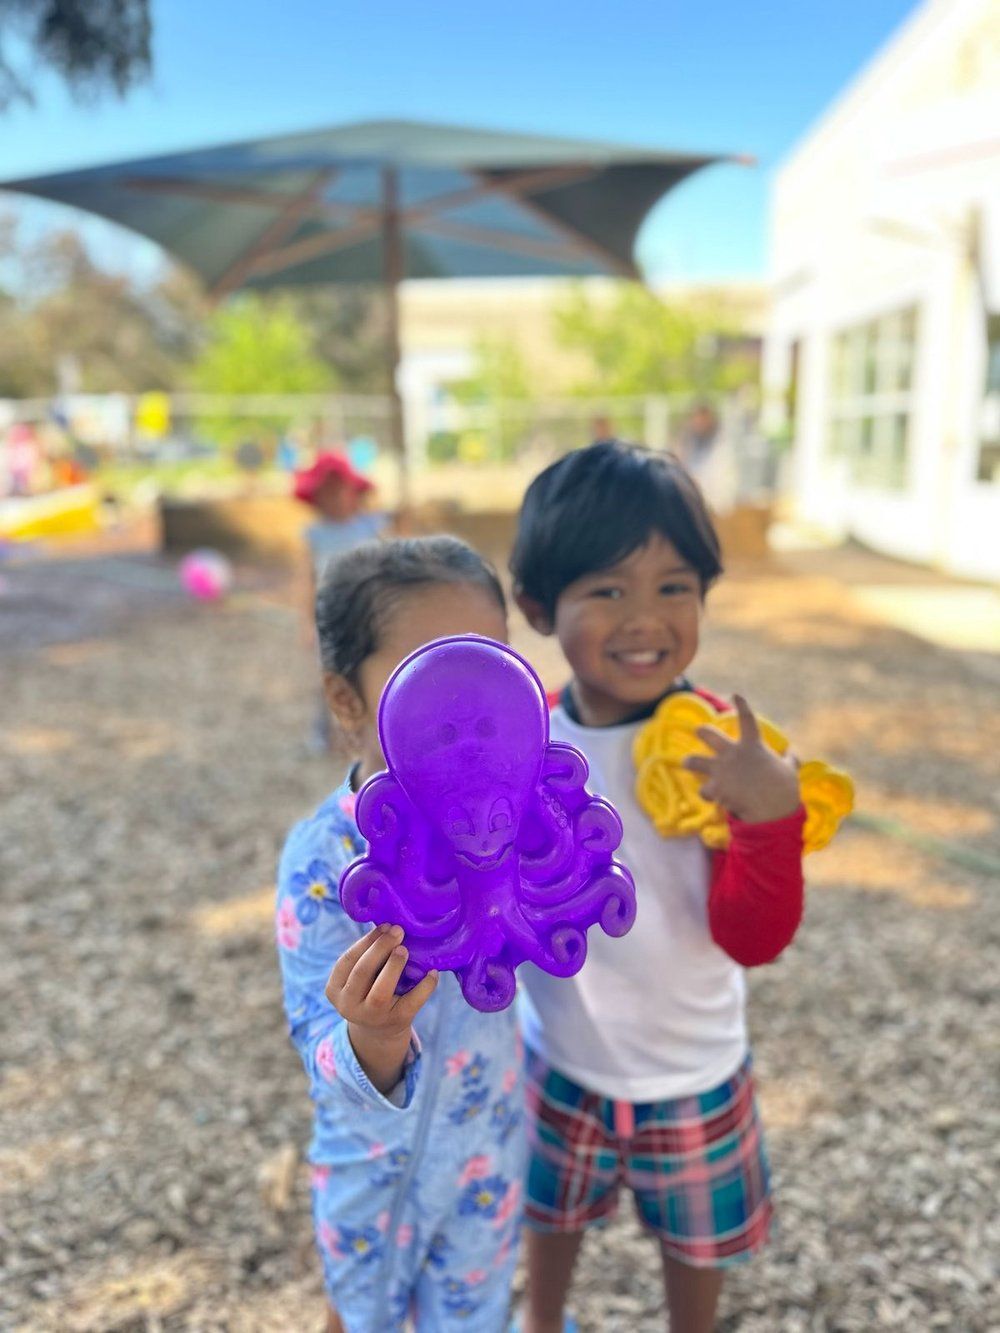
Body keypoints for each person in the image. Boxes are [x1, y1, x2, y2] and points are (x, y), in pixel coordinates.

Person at [509, 440, 806, 1333]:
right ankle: (542, 1318)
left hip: (695, 1069)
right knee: (547, 1216)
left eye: (674, 587)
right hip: (560, 1057)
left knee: (696, 1249)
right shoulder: (526, 745)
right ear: (536, 604)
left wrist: (768, 820)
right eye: (607, 589)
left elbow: (754, 937)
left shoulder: (715, 744)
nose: (645, 618)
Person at [276, 536, 527, 1333]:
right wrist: (372, 1034)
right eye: (429, 677)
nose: (471, 708)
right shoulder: (324, 858)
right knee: (361, 1315)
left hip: (489, 1152)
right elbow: (316, 1035)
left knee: (475, 1318)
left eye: (490, 669)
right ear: (346, 702)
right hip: (372, 1173)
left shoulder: (515, 824)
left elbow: (551, 941)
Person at [293, 450, 389, 754]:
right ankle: (324, 734)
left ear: (354, 492)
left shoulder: (372, 526)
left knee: (372, 674)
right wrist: (307, 622)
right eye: (327, 493)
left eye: (340, 491)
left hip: (366, 614)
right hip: (330, 615)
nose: (335, 500)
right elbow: (307, 579)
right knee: (330, 677)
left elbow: (389, 568)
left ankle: (375, 733)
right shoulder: (315, 534)